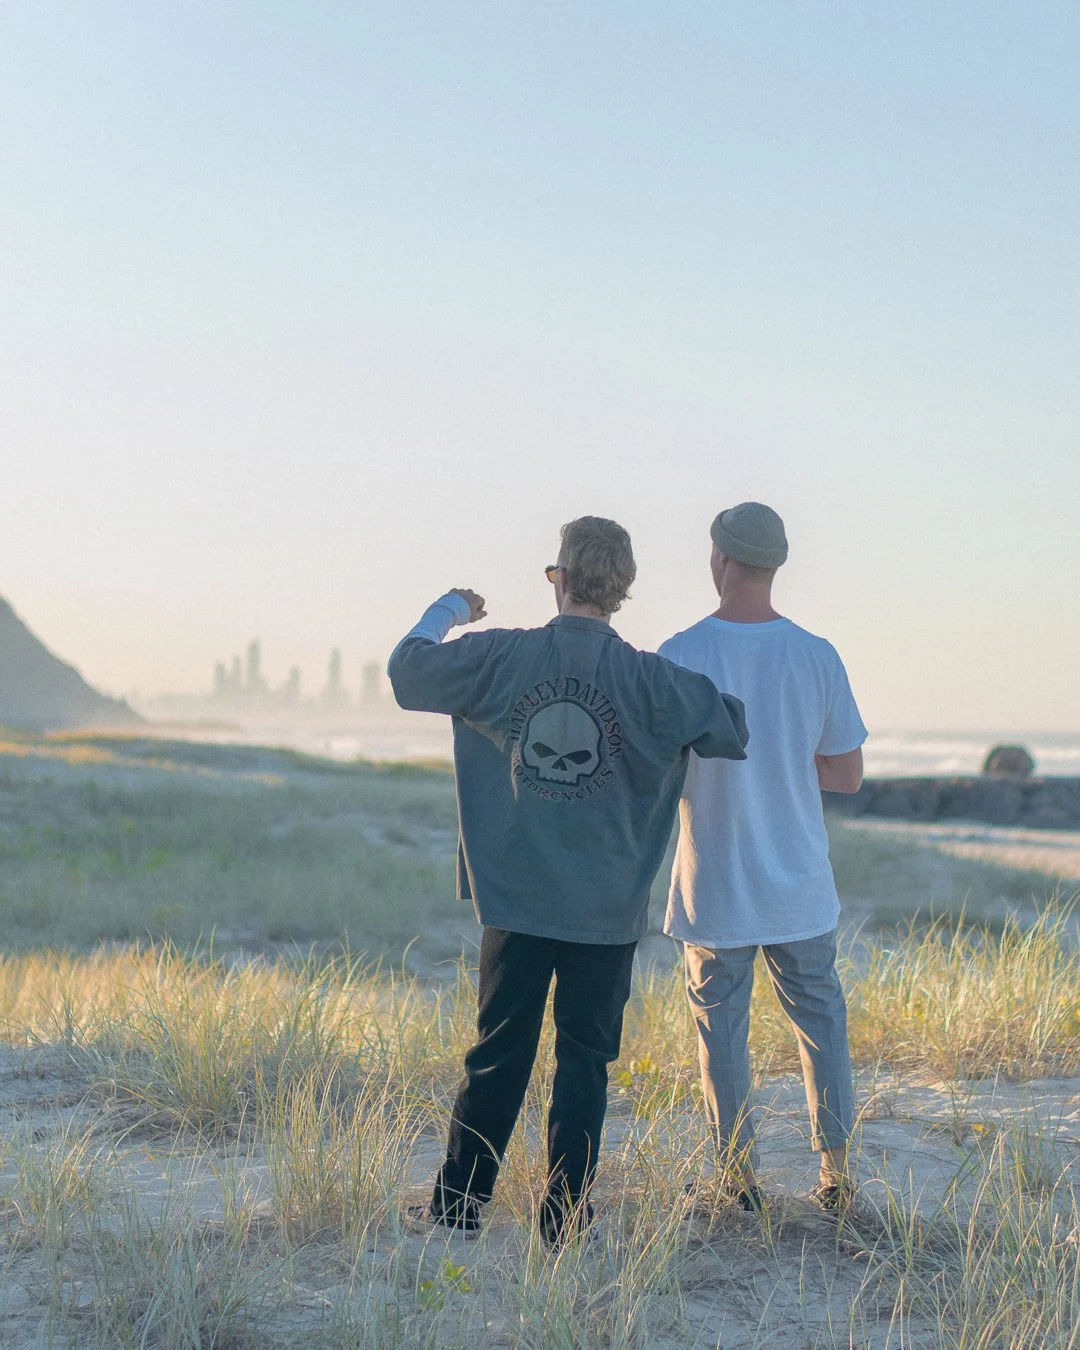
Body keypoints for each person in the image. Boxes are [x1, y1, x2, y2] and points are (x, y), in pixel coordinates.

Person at [388, 516, 748, 1244]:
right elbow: (730, 728)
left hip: (517, 903)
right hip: (607, 909)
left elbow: (407, 670)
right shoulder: (653, 680)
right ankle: (564, 1218)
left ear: (558, 579)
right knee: (585, 1064)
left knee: (498, 1053)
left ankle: (459, 1209)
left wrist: (452, 608)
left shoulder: (500, 657)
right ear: (622, 591)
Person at [659, 502, 867, 1212]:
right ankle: (836, 1174)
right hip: (799, 881)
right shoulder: (817, 655)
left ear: (719, 559)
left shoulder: (680, 654)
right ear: (774, 567)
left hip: (713, 881)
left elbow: (653, 769)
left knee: (722, 1032)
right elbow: (846, 774)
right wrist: (784, 764)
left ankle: (737, 1178)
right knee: (820, 1022)